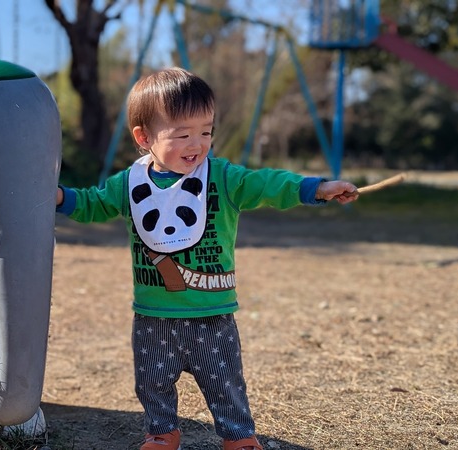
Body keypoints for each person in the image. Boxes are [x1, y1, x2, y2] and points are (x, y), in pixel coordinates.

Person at [55, 67, 358, 450]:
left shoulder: (223, 177)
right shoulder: (128, 183)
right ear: (144, 137)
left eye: (206, 131)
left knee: (224, 379)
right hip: (154, 313)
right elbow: (94, 204)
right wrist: (62, 198)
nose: (197, 143)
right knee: (151, 380)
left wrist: (316, 188)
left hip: (211, 311)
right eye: (182, 134)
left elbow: (266, 183)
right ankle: (162, 432)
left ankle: (239, 437)